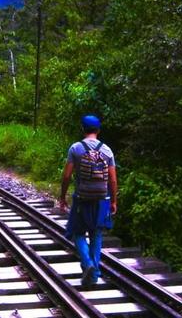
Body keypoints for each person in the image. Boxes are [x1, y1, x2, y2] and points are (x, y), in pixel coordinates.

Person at [59, 115, 118, 286]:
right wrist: (113, 201)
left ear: (82, 130)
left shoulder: (76, 148)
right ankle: (94, 274)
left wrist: (62, 197)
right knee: (96, 234)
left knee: (77, 232)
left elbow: (67, 175)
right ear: (98, 130)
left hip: (82, 198)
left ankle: (88, 264)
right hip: (101, 199)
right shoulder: (107, 150)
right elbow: (113, 180)